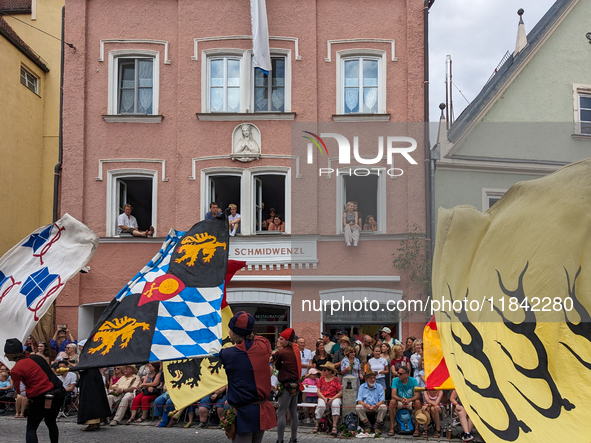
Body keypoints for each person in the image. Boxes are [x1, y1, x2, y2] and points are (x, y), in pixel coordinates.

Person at [219, 311, 276, 443]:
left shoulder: (228, 354)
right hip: (261, 410)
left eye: (230, 330)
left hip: (243, 413)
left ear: (234, 332)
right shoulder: (263, 345)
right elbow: (260, 339)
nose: (229, 333)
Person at [5, 337, 65, 443]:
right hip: (58, 392)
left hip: (40, 397)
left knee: (31, 428)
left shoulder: (16, 370)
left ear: (10, 355)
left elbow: (22, 391)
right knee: (51, 423)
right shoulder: (38, 358)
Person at [272, 328, 301, 443]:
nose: (279, 340)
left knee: (281, 412)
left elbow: (277, 367)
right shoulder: (296, 350)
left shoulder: (281, 352)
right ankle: (293, 438)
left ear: (287, 341)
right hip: (296, 384)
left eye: (281, 339)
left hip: (286, 385)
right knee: (293, 412)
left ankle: (280, 440)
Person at [388, 366, 421, 437]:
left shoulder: (413, 381)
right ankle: (392, 427)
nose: (398, 375)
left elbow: (417, 395)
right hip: (400, 400)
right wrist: (401, 400)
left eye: (400, 374)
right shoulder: (395, 380)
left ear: (406, 375)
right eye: (398, 373)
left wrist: (409, 400)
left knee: (417, 402)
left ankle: (417, 428)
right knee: (392, 402)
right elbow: (393, 395)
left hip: (410, 400)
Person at [313, 362, 342, 436]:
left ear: (330, 371)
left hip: (334, 397)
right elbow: (318, 391)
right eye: (323, 370)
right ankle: (317, 424)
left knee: (335, 404)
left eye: (324, 370)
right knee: (321, 405)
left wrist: (332, 399)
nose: (323, 371)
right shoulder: (321, 379)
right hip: (323, 397)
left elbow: (340, 392)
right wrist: (324, 398)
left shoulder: (336, 379)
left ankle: (334, 425)